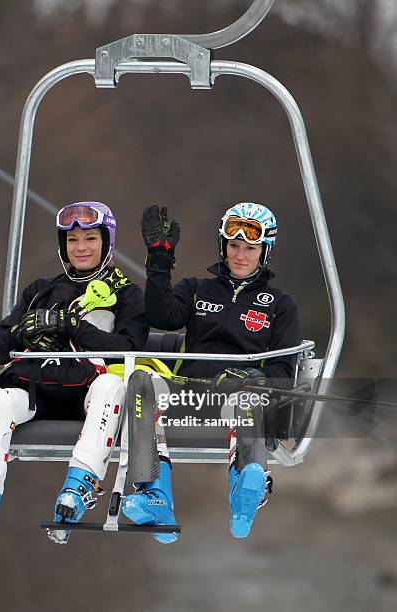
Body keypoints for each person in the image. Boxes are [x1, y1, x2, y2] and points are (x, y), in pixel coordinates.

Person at [0, 202, 149, 565]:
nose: (80, 248)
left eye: (89, 239)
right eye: (73, 240)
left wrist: (71, 327)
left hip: (90, 392)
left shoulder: (126, 294)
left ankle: (78, 488)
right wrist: (25, 330)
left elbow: (129, 349)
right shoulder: (42, 290)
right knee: (1, 398)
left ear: (106, 242)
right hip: (40, 389)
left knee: (111, 387)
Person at [122, 202, 302, 541]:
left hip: (237, 398)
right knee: (141, 382)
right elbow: (162, 318)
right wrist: (159, 263)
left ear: (265, 252)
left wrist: (252, 378)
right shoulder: (196, 290)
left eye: (250, 248)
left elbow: (283, 370)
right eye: (234, 246)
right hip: (189, 392)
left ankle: (245, 485)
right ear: (223, 246)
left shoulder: (279, 305)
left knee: (247, 399)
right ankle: (155, 494)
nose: (240, 255)